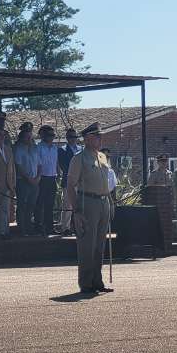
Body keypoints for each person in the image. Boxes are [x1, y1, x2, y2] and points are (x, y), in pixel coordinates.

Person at [66, 122, 114, 294]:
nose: (100, 139)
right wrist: (76, 211)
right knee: (87, 245)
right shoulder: (79, 158)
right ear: (86, 138)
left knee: (100, 244)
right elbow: (70, 185)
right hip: (88, 202)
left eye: (100, 136)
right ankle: (86, 283)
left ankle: (97, 281)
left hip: (103, 202)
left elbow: (106, 182)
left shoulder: (101, 157)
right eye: (96, 136)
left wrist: (110, 202)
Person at [13, 123, 40, 236]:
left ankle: (29, 228)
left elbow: (40, 164)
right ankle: (22, 229)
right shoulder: (18, 149)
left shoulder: (34, 148)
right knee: (22, 206)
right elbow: (19, 167)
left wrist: (38, 178)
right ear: (22, 137)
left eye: (30, 136)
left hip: (35, 181)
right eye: (27, 137)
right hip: (23, 181)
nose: (29, 139)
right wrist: (29, 179)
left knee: (31, 205)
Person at [34, 125, 59, 236]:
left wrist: (58, 173)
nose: (52, 137)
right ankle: (38, 227)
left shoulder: (54, 148)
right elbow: (37, 164)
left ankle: (49, 227)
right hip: (42, 178)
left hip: (52, 178)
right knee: (39, 204)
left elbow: (56, 163)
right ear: (43, 135)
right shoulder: (38, 148)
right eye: (49, 135)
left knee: (50, 204)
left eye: (53, 135)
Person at [58, 128, 82, 236]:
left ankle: (78, 227)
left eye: (75, 137)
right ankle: (65, 228)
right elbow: (64, 166)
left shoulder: (81, 149)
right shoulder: (62, 150)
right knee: (67, 206)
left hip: (81, 183)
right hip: (68, 181)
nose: (73, 139)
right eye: (70, 137)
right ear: (67, 138)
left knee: (80, 206)